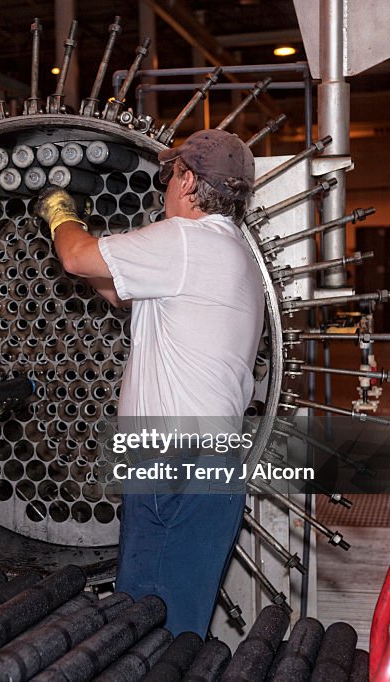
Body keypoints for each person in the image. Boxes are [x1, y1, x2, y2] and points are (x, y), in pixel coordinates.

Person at [35, 129, 264, 636]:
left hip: (173, 464)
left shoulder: (186, 241)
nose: (164, 189)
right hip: (211, 465)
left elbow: (75, 258)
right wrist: (103, 256)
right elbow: (117, 292)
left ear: (187, 181)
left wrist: (59, 211)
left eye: (169, 176)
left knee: (145, 630)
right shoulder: (234, 255)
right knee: (180, 630)